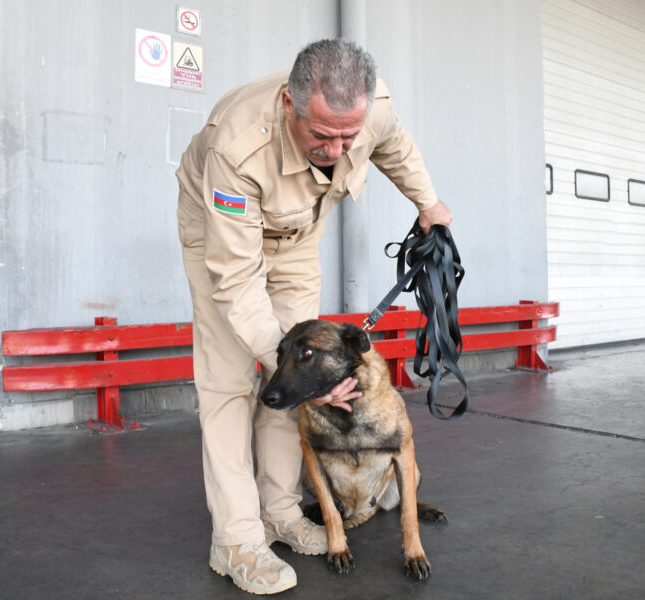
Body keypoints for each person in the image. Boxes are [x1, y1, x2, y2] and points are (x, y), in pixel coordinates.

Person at [175, 38, 452, 595]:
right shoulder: (237, 150)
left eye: (349, 137)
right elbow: (236, 280)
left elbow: (395, 145)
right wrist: (288, 362)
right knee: (232, 385)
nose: (337, 149)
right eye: (323, 135)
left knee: (299, 388)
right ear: (289, 104)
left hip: (298, 237)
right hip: (225, 239)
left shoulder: (368, 109)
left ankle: (279, 511)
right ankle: (236, 539)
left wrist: (427, 203)